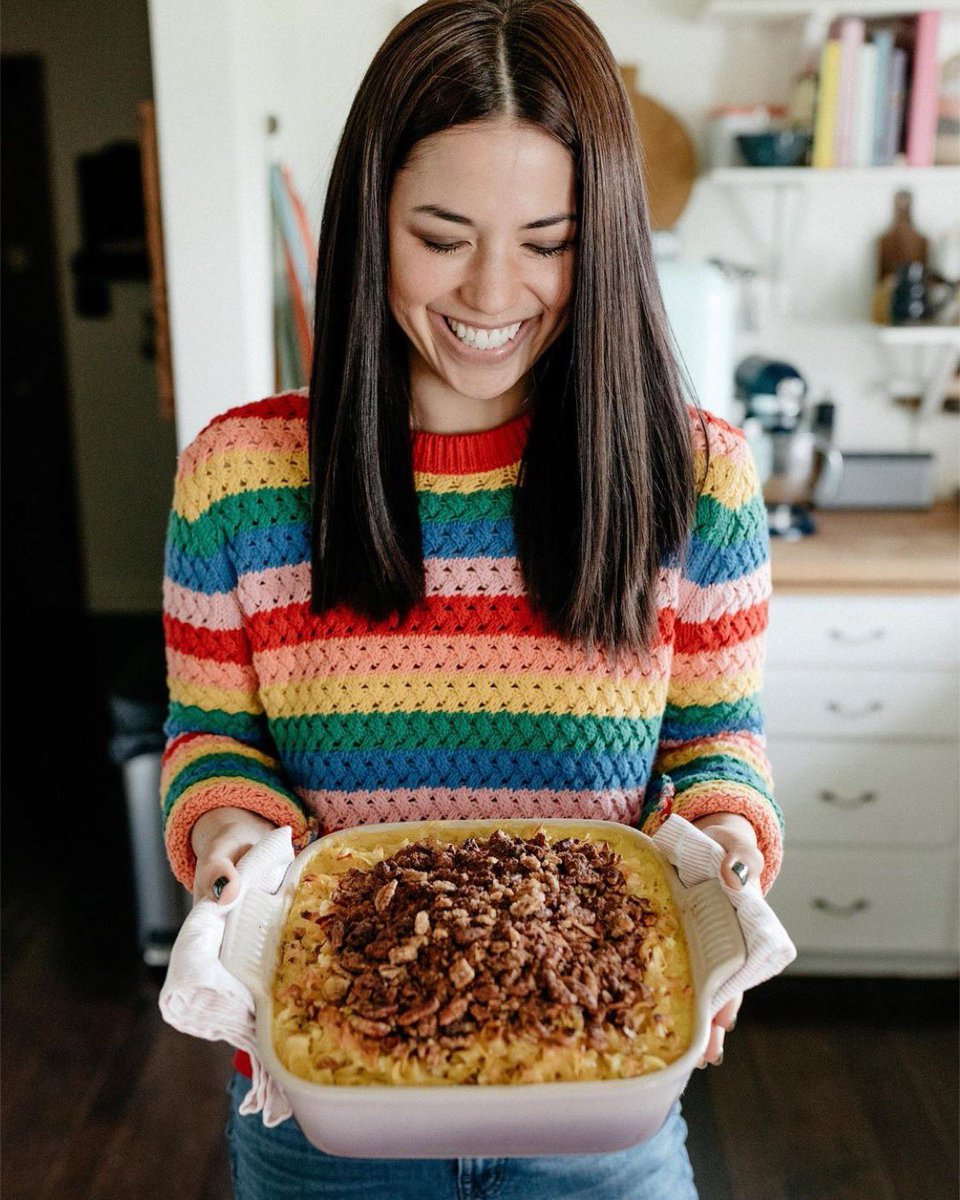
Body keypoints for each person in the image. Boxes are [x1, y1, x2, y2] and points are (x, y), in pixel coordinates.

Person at [160, 1, 783, 1196]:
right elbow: (213, 741)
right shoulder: (240, 480)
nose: (496, 293)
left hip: (603, 1094)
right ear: (370, 225)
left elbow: (715, 745)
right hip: (323, 1110)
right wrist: (232, 836)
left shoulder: (697, 479)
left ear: (604, 237)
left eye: (547, 240)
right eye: (442, 235)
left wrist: (731, 853)